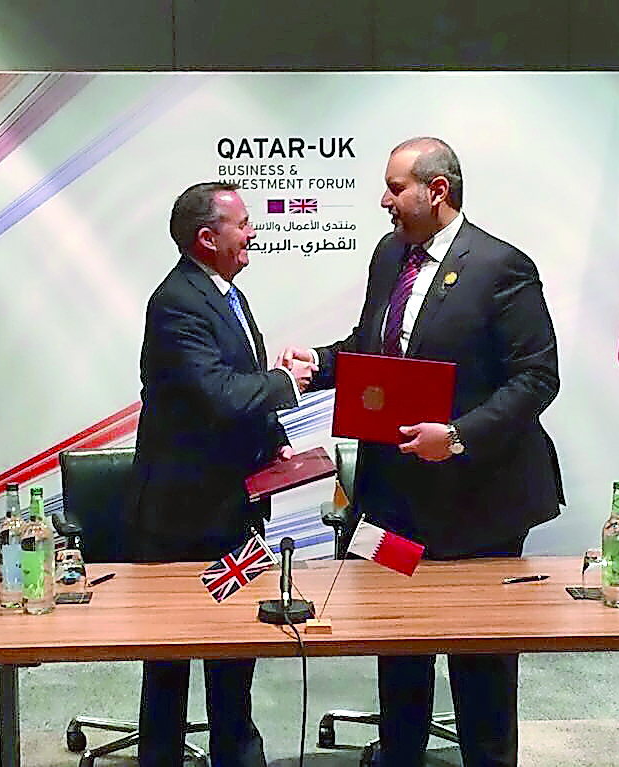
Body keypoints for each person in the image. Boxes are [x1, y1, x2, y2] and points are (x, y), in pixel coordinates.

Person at [280, 137, 564, 767]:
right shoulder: (391, 255)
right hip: (394, 502)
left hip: (477, 503)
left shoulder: (501, 267)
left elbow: (537, 378)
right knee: (399, 646)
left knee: (478, 662)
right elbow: (376, 347)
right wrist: (321, 365)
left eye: (394, 186)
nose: (383, 200)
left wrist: (457, 436)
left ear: (437, 191)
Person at [127, 181, 314, 767]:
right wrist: (286, 385)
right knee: (169, 662)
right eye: (242, 224)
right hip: (182, 518)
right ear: (207, 238)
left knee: (236, 649)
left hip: (235, 514)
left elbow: (240, 382)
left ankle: (236, 751)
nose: (253, 232)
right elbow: (217, 395)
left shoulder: (227, 293)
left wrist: (277, 445)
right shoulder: (176, 301)